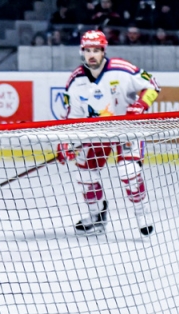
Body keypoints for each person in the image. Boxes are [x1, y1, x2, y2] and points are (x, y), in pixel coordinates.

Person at [57, 30, 160, 237]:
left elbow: (152, 86)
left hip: (127, 130)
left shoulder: (122, 69)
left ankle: (142, 214)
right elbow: (73, 117)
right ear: (82, 51)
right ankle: (96, 215)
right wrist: (66, 143)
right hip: (97, 133)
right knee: (84, 174)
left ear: (104, 51)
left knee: (128, 171)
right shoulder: (75, 81)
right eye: (88, 50)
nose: (92, 55)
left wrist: (141, 105)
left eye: (96, 50)